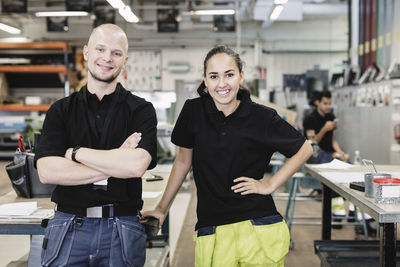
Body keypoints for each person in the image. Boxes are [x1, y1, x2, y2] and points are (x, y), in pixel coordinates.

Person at [143, 45, 312, 267]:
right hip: (212, 228)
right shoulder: (193, 112)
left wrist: (270, 184)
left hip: (258, 227)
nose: (222, 84)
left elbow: (304, 148)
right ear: (205, 79)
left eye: (229, 75)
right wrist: (161, 208)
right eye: (214, 76)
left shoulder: (261, 117)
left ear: (241, 76)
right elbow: (184, 161)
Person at [35, 23, 157, 267]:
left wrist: (76, 153)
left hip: (121, 228)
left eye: (116, 53)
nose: (107, 58)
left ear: (125, 60)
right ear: (86, 53)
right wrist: (116, 162)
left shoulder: (141, 110)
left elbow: (135, 167)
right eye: (100, 49)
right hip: (69, 226)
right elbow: (48, 172)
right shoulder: (61, 111)